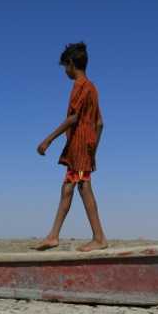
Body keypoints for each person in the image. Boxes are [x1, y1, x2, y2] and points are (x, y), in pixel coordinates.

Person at [34, 41, 107, 252]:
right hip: (83, 147)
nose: (65, 71)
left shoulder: (80, 86)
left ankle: (99, 238)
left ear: (72, 64)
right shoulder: (93, 88)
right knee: (68, 187)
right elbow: (100, 123)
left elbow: (73, 118)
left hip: (80, 144)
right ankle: (53, 235)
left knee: (84, 187)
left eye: (65, 66)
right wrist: (94, 150)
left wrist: (48, 139)